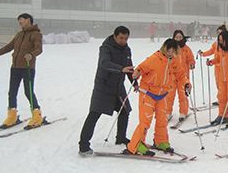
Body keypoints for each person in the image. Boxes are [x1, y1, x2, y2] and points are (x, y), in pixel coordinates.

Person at [79, 26, 137, 155]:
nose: (123, 41)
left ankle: (120, 138)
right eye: (121, 38)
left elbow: (129, 67)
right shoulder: (106, 48)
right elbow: (104, 63)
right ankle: (83, 145)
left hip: (118, 87)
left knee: (125, 111)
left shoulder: (127, 50)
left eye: (126, 38)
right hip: (103, 86)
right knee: (94, 114)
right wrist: (121, 69)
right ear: (115, 36)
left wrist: (135, 83)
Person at [126, 39, 190, 155]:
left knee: (162, 120)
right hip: (148, 93)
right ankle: (136, 145)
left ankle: (161, 141)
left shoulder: (174, 61)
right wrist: (137, 72)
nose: (170, 53)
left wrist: (186, 83)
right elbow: (142, 67)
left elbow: (181, 74)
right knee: (145, 121)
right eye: (168, 50)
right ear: (164, 48)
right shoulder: (155, 58)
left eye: (172, 51)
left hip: (162, 95)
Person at [0, 13, 43, 130]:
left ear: (28, 20)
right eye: (19, 20)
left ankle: (37, 116)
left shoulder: (36, 34)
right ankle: (12, 116)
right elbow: (9, 47)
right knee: (12, 92)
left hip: (28, 67)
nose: (19, 22)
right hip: (15, 67)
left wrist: (31, 54)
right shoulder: (19, 34)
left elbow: (39, 49)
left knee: (28, 92)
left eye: (21, 19)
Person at [165, 30, 195, 122]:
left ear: (183, 38)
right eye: (176, 37)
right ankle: (167, 112)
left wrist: (191, 63)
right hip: (172, 76)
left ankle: (183, 112)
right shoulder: (171, 48)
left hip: (183, 76)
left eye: (180, 37)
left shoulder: (187, 49)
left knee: (182, 95)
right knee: (169, 95)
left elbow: (191, 59)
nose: (178, 39)